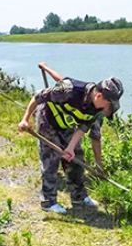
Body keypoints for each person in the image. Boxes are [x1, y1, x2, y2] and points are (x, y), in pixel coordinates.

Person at [18, 62, 123, 214]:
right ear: (99, 95)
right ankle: (48, 202)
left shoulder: (96, 107)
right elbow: (37, 96)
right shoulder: (69, 90)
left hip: (66, 124)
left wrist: (70, 147)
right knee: (51, 160)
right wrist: (25, 119)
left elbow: (83, 127)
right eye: (109, 104)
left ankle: (79, 196)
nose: (108, 109)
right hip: (47, 119)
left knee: (76, 157)